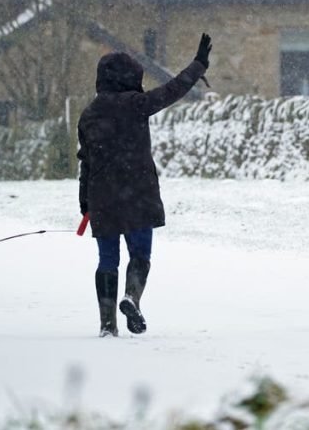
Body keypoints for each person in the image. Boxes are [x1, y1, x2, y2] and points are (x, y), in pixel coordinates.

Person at [78, 33, 212, 337]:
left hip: (102, 198)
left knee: (107, 259)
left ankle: (107, 324)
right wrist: (198, 65)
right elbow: (172, 90)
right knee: (140, 254)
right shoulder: (137, 104)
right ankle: (132, 297)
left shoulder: (88, 114)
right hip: (138, 194)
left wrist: (85, 200)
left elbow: (85, 160)